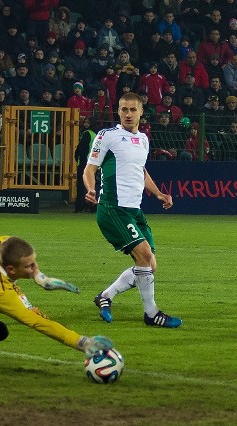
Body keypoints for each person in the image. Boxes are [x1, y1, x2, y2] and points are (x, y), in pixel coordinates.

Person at [83, 92, 182, 329]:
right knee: (145, 256)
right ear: (118, 111)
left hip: (134, 211)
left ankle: (105, 296)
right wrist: (90, 189)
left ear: (140, 113)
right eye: (124, 109)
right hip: (112, 209)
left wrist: (158, 193)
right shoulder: (107, 136)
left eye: (133, 110)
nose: (128, 114)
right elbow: (90, 168)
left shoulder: (144, 139)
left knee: (149, 265)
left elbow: (141, 171)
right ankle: (152, 313)